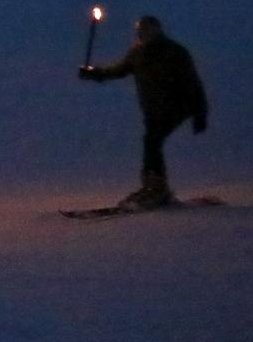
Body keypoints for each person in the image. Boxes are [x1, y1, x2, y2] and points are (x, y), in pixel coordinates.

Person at [81, 14, 208, 207]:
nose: (144, 34)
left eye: (148, 30)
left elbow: (193, 83)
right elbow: (118, 70)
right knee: (151, 142)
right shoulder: (137, 53)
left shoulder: (175, 52)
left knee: (152, 141)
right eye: (142, 31)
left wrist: (200, 114)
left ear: (157, 30)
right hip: (152, 111)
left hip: (177, 107)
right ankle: (153, 186)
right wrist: (94, 73)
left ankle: (156, 188)